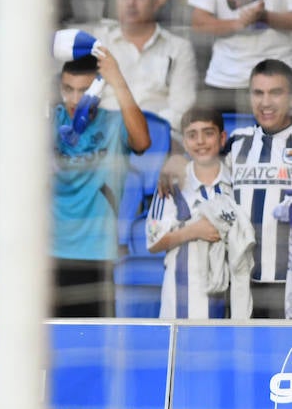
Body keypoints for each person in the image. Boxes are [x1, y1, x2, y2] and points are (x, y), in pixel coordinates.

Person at [52, 52, 152, 317]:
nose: (75, 99)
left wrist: (117, 79)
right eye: (68, 89)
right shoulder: (51, 121)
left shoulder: (113, 123)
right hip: (48, 253)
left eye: (83, 91)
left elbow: (142, 142)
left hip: (95, 253)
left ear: (98, 89)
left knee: (92, 343)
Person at [147, 106, 252, 319]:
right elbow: (152, 241)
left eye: (208, 133)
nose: (201, 141)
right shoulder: (171, 185)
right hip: (179, 304)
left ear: (223, 138)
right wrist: (194, 231)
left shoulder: (236, 183)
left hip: (225, 303)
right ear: (184, 143)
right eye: (192, 135)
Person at [223, 58, 292, 317]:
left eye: (276, 92)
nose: (265, 102)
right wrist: (172, 162)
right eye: (258, 92)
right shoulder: (236, 142)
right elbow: (201, 169)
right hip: (242, 281)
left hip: (286, 283)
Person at [93, 0, 198, 129]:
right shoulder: (99, 43)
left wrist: (143, 130)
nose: (131, 3)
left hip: (159, 137)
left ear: (156, 2)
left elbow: (181, 109)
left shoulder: (179, 48)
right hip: (107, 134)